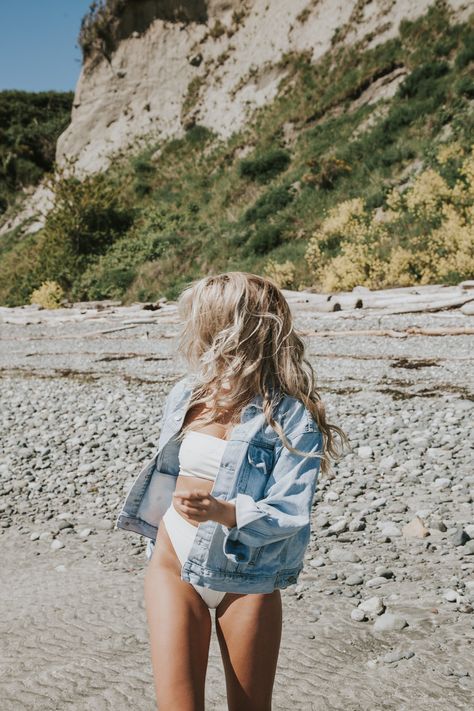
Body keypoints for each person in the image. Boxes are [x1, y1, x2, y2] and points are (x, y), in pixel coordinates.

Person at [118, 271, 348, 710]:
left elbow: (292, 512)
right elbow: (167, 474)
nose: (195, 329)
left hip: (248, 577)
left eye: (203, 317)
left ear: (234, 327)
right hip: (173, 566)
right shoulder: (186, 394)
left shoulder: (292, 416)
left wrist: (226, 512)